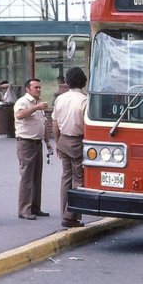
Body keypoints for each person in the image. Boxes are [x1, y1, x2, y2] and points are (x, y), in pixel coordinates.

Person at [52, 67, 88, 228]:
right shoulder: (84, 100)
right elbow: (87, 126)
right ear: (84, 81)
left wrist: (57, 141)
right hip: (78, 141)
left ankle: (63, 212)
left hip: (63, 139)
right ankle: (70, 215)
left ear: (67, 81)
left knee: (66, 177)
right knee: (78, 178)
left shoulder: (60, 98)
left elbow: (54, 122)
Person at [14, 78, 52, 220]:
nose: (39, 90)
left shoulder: (38, 104)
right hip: (26, 143)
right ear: (28, 89)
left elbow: (43, 123)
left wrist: (47, 141)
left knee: (37, 177)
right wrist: (36, 108)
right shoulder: (23, 102)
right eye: (36, 87)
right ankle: (24, 209)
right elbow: (19, 115)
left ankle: (35, 207)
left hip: (37, 142)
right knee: (27, 177)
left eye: (40, 87)